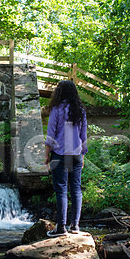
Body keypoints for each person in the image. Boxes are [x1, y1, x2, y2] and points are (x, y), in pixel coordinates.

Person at [44, 80, 88, 237]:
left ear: (60, 92)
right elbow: (83, 136)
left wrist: (46, 154)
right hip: (75, 155)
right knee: (76, 189)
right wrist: (82, 155)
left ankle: (61, 228)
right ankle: (75, 226)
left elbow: (51, 134)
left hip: (60, 155)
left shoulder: (57, 109)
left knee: (61, 190)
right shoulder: (80, 110)